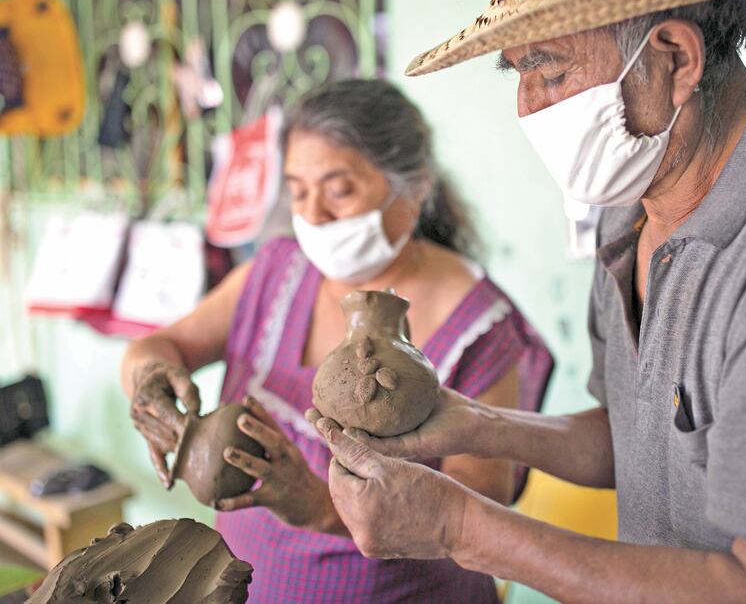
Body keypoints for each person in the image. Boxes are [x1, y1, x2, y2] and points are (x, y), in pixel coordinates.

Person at [308, 0, 746, 601]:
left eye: (550, 71)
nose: (527, 107)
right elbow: (635, 438)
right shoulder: (628, 208)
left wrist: (458, 526)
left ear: (675, 58)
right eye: (516, 72)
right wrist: (478, 424)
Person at [121, 79, 553, 603]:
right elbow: (159, 348)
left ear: (415, 188)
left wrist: (324, 509)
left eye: (339, 190)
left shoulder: (478, 324)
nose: (314, 215)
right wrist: (150, 382)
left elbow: (480, 518)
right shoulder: (276, 271)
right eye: (298, 191)